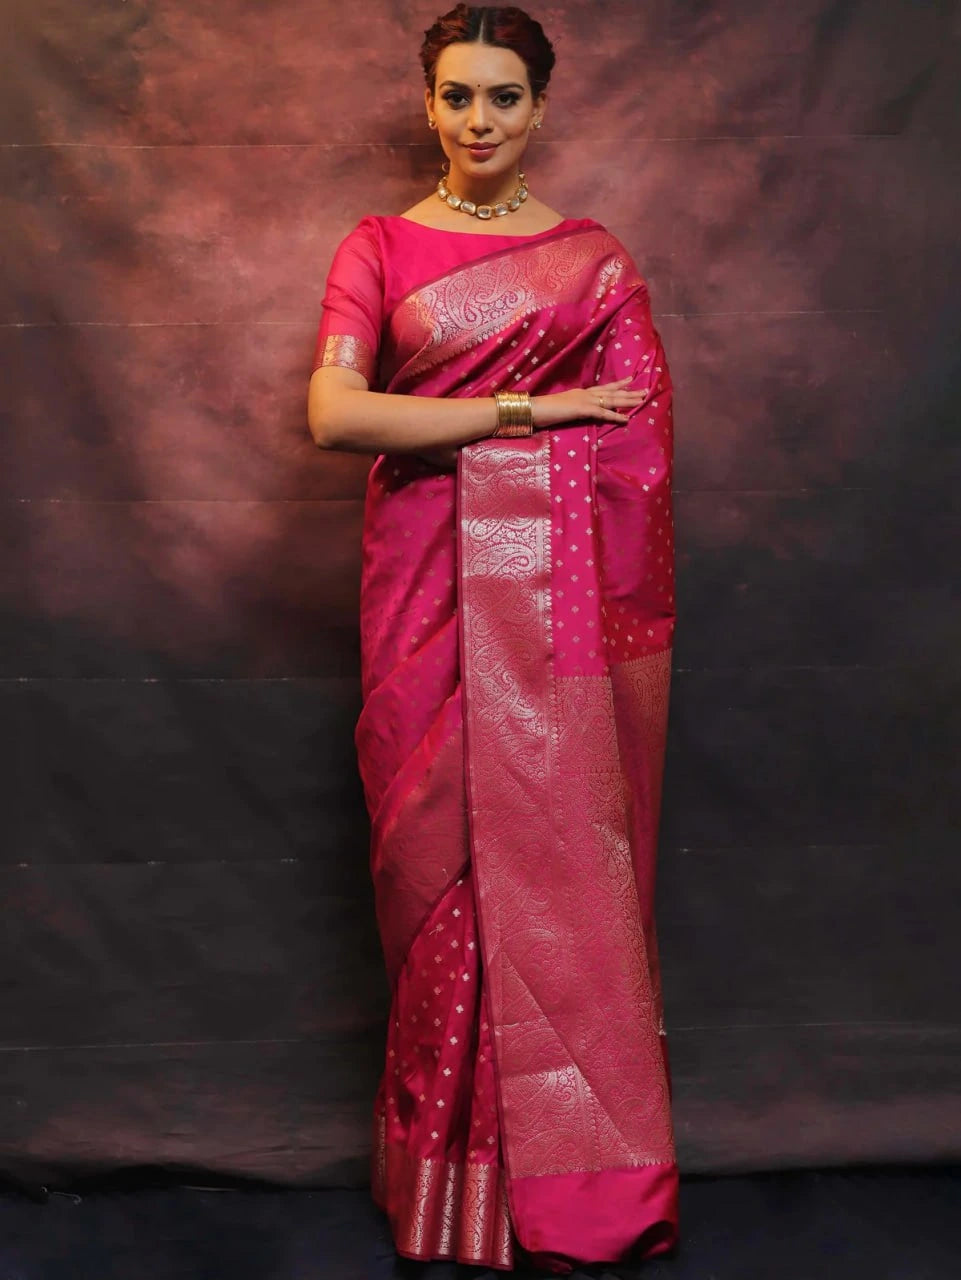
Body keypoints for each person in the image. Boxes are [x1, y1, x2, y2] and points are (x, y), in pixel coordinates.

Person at [307, 5, 678, 1271]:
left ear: (541, 108)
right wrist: (530, 406)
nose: (478, 122)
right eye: (458, 96)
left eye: (503, 98)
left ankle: (565, 1176)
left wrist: (507, 426)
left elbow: (634, 456)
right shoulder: (378, 247)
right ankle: (444, 1178)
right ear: (427, 105)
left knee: (547, 853)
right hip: (419, 600)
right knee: (431, 863)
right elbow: (335, 412)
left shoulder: (594, 265)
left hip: (547, 630)